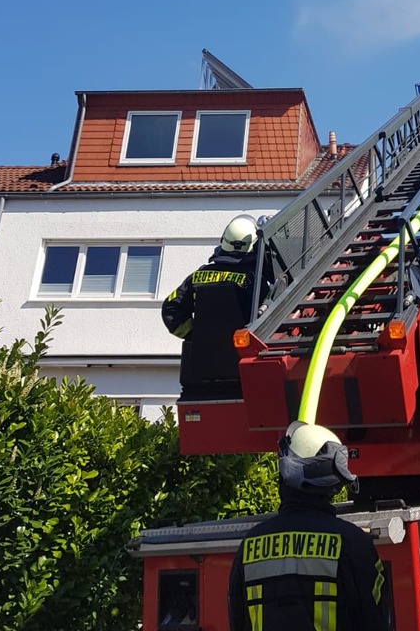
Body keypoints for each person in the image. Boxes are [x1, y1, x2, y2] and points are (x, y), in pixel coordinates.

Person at [228, 421, 390, 631]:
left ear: (286, 473)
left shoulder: (249, 546)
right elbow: (375, 621)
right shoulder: (353, 543)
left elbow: (238, 621)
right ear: (334, 483)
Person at [162, 214, 267, 389]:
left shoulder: (197, 277)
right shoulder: (255, 280)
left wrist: (196, 336)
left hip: (201, 372)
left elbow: (171, 309)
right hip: (246, 368)